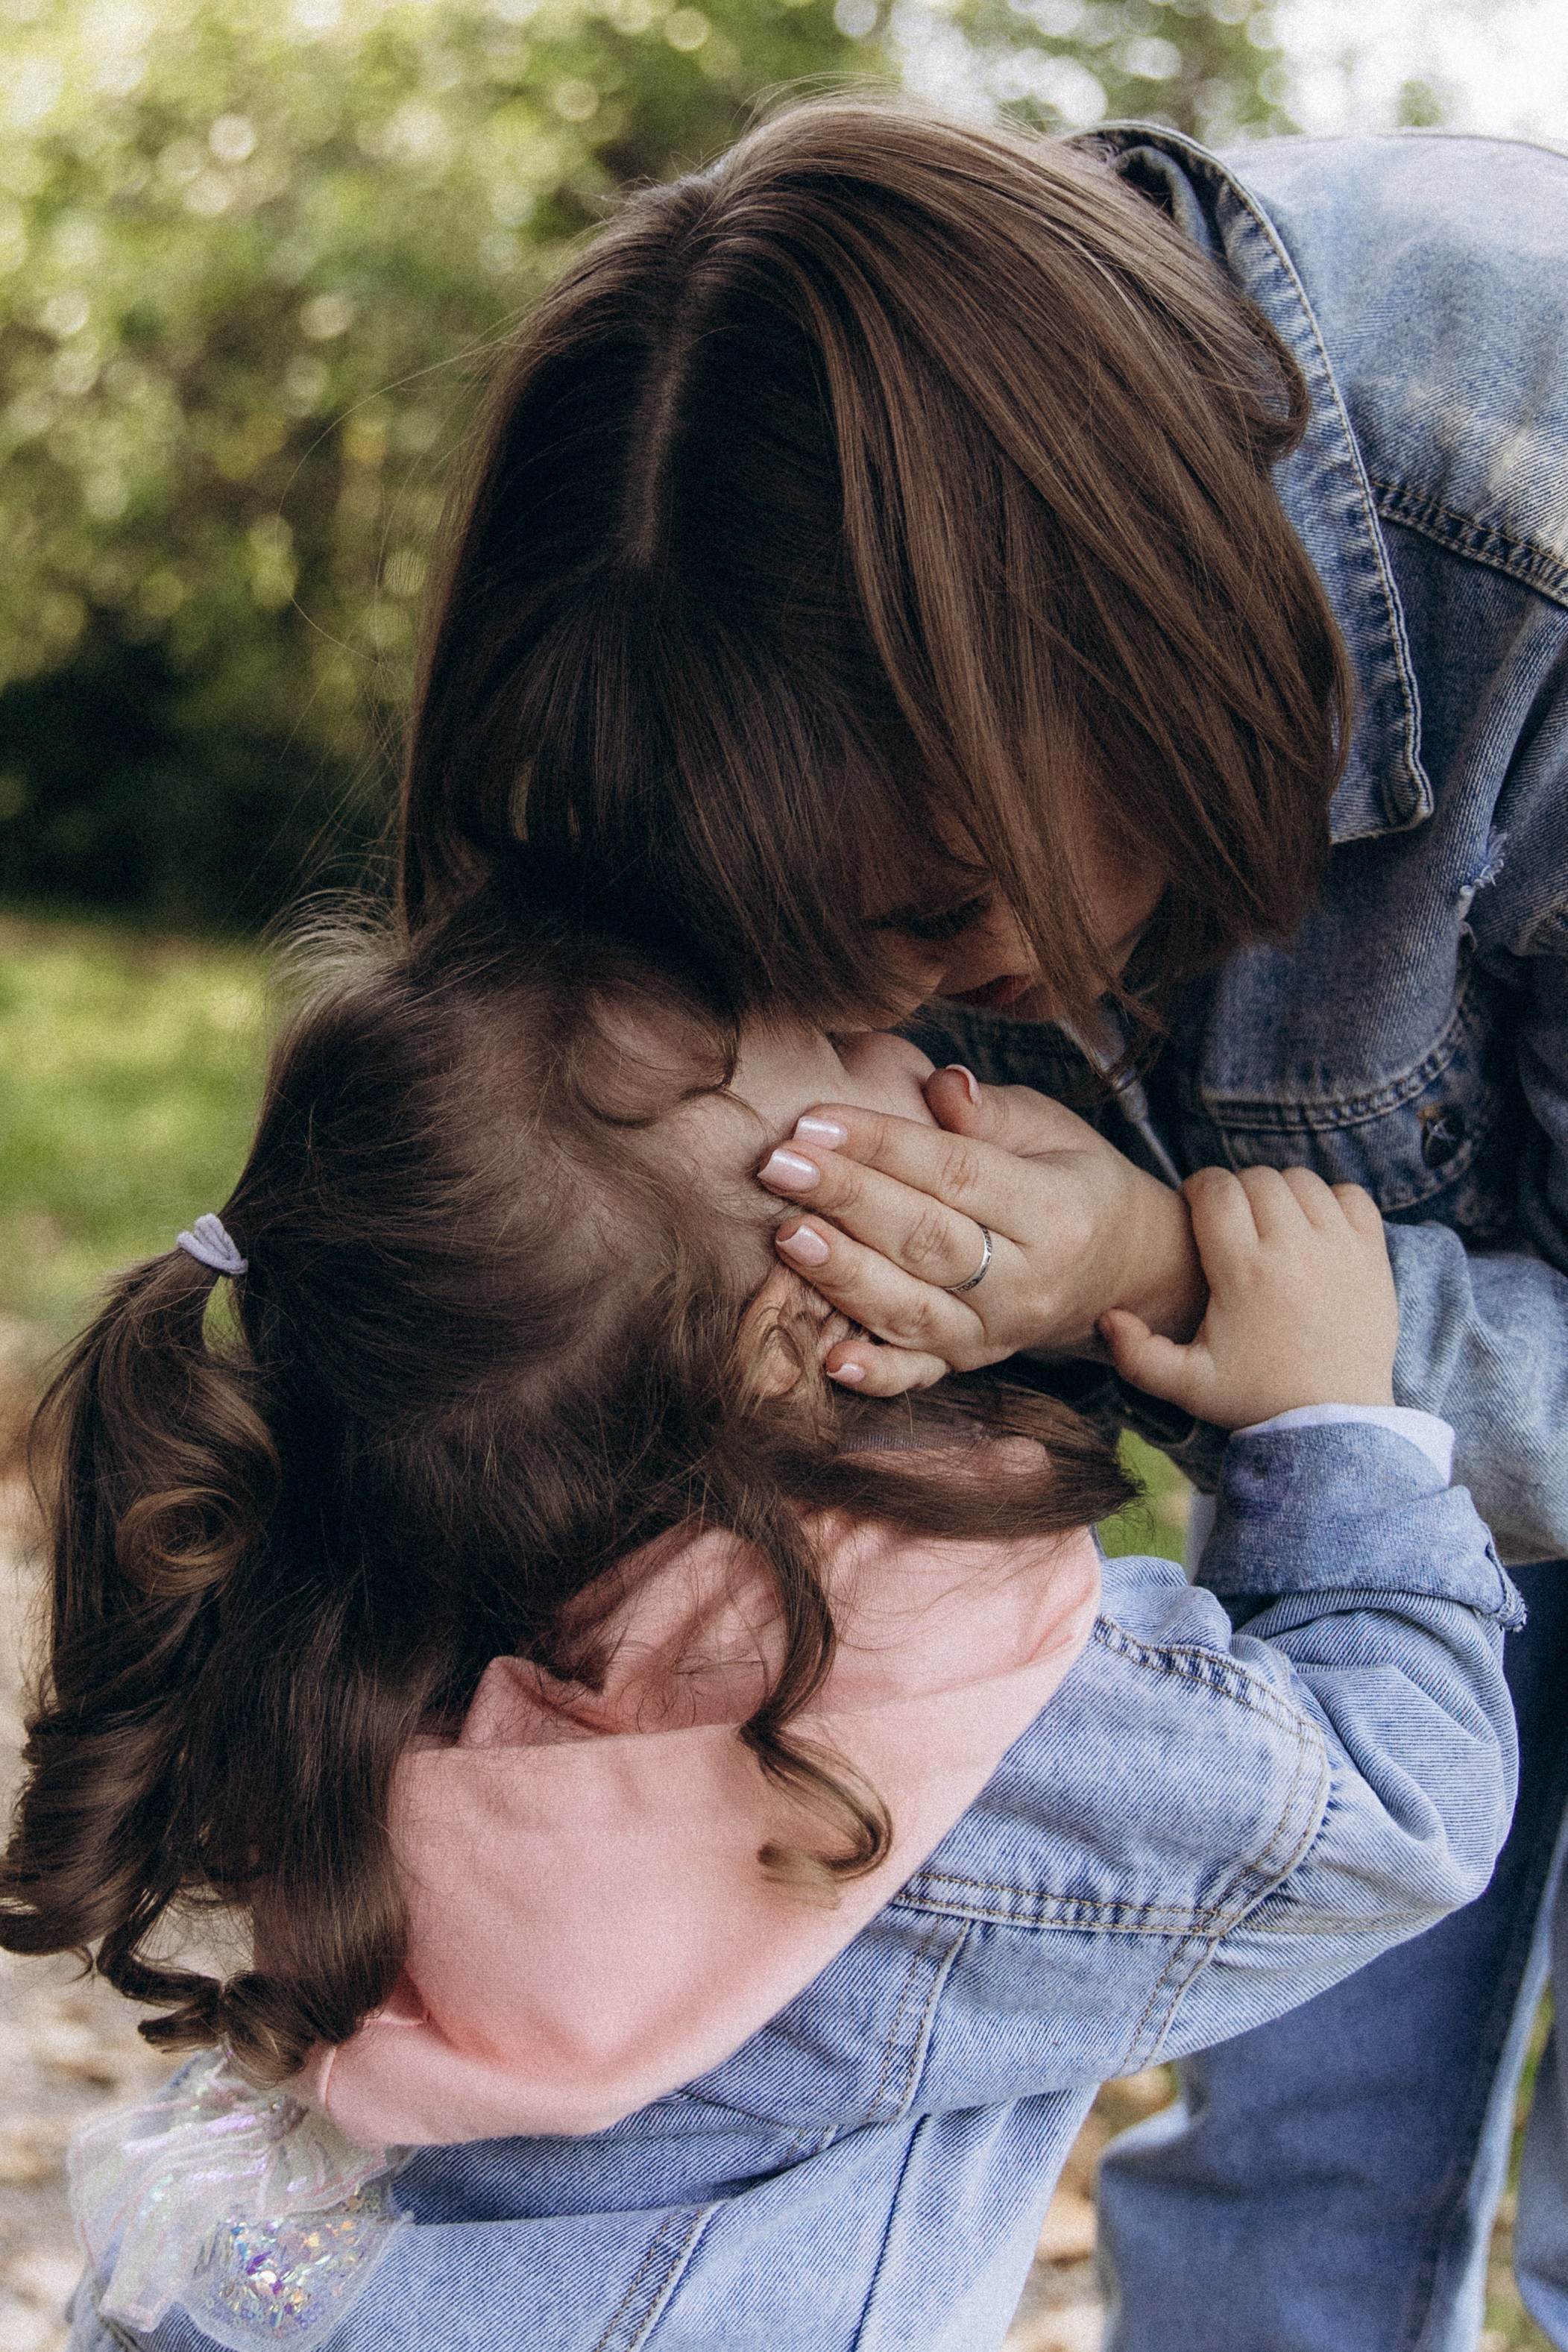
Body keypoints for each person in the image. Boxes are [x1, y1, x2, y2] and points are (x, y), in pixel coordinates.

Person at [395, 100, 1568, 2350]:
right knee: (1299, 2146)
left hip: (1371, 1402)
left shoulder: (1518, 475)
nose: (921, 1019)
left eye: (948, 913)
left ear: (1127, 648)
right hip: (1339, 1469)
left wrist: (1164, 1269)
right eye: (825, 968)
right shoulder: (751, 597)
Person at [1, 897, 1514, 2352]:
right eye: (851, 1057)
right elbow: (1388, 1796)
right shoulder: (900, 1701)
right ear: (805, 1324)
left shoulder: (388, 1578)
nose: (918, 1045)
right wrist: (1333, 1421)